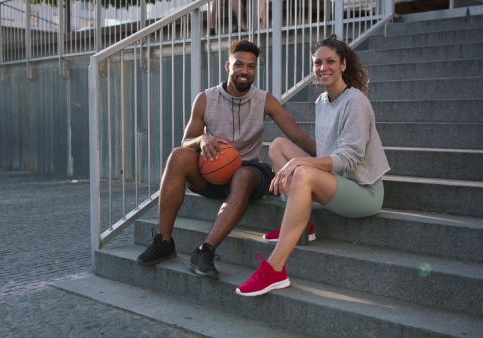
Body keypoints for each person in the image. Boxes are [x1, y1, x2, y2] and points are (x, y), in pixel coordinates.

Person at [136, 40, 316, 280]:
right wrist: (200, 140)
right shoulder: (206, 99)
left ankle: (205, 251)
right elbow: (185, 141)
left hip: (249, 171)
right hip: (212, 172)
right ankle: (165, 241)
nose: (245, 71)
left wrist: (328, 159)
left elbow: (295, 133)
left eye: (251, 66)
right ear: (227, 66)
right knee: (178, 156)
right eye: (239, 64)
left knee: (243, 175)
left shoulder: (265, 100)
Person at [236, 35, 390, 296]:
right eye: (317, 63)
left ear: (343, 65)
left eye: (330, 61)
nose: (323, 68)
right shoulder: (322, 102)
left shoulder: (355, 101)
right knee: (277, 146)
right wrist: (296, 160)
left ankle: (275, 269)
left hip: (364, 190)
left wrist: (299, 163)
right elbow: (327, 152)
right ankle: (302, 223)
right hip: (338, 180)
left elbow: (350, 159)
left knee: (302, 171)